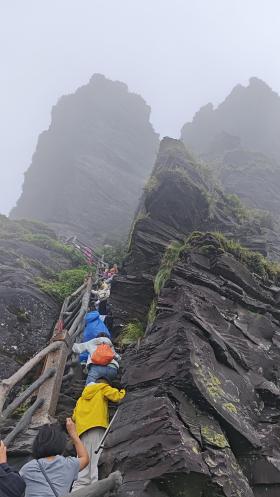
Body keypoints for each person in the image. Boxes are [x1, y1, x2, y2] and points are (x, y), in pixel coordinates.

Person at [71, 378, 125, 490]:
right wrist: (124, 391)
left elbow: (74, 417)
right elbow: (117, 397)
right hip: (97, 427)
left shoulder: (80, 399)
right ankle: (96, 489)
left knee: (82, 466)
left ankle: (77, 491)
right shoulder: (102, 387)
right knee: (96, 461)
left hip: (81, 433)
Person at [20, 419, 89, 497]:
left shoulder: (28, 468)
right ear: (61, 443)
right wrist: (73, 434)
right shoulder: (68, 465)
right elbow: (85, 458)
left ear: (37, 443)